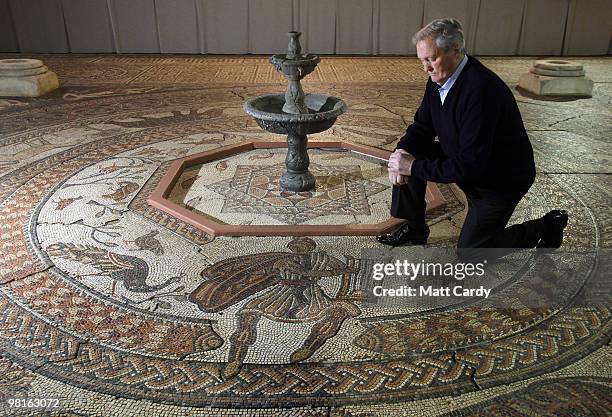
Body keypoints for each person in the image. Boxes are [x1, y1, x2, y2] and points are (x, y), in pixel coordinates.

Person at [376, 18, 568, 261]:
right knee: (410, 154)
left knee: (472, 252)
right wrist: (401, 153)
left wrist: (412, 166)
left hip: (498, 180)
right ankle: (415, 230)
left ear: (455, 51)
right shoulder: (438, 78)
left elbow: (469, 166)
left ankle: (547, 226)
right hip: (468, 160)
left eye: (431, 59)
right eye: (422, 60)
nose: (426, 68)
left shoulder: (481, 91)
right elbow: (423, 126)